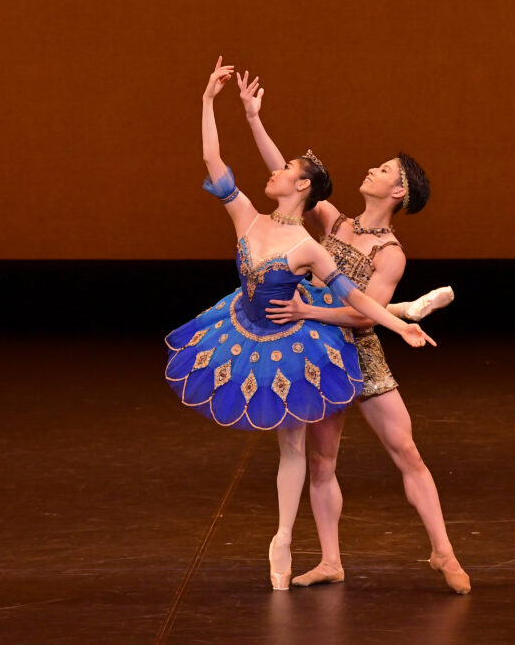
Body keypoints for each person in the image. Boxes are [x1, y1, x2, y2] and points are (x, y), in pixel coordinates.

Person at [165, 57, 437, 591]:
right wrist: (223, 106)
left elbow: (354, 299)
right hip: (268, 330)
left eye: (385, 170)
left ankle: (299, 540)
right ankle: (309, 549)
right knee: (306, 454)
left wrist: (394, 324)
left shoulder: (340, 246)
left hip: (318, 336)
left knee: (352, 448)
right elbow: (232, 163)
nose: (277, 170)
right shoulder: (281, 217)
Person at [235, 70, 471, 594]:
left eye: (383, 170)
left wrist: (308, 311)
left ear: (398, 191)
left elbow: (364, 317)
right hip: (319, 354)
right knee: (322, 461)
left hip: (359, 351)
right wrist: (253, 119)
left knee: (406, 450)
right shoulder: (334, 221)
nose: (371, 169)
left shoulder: (390, 253)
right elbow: (289, 176)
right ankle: (331, 560)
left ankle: (443, 551)